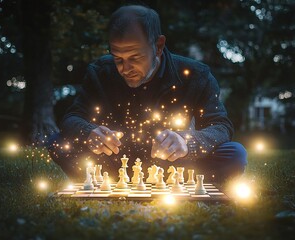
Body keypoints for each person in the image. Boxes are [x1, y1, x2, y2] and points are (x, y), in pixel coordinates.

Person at [47, 5, 247, 182]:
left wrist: (188, 142)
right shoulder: (100, 72)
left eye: (135, 57)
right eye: (118, 58)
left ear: (158, 46)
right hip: (113, 163)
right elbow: (71, 118)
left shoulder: (195, 75)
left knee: (235, 154)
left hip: (174, 163)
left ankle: (174, 179)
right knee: (57, 142)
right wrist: (88, 133)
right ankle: (105, 178)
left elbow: (221, 126)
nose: (125, 69)